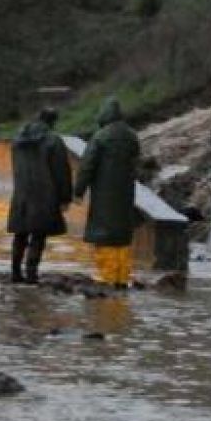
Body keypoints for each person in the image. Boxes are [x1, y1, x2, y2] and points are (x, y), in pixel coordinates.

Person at [74, 97, 140, 289]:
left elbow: (87, 166)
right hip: (126, 193)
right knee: (122, 235)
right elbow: (136, 160)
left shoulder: (100, 137)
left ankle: (107, 277)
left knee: (105, 235)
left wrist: (79, 191)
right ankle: (122, 277)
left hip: (104, 194)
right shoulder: (131, 135)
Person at [6, 108, 72, 284]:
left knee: (20, 234)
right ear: (52, 122)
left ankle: (15, 272)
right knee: (38, 235)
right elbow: (61, 172)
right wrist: (65, 197)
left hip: (21, 193)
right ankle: (32, 274)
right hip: (44, 195)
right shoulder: (53, 141)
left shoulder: (17, 140)